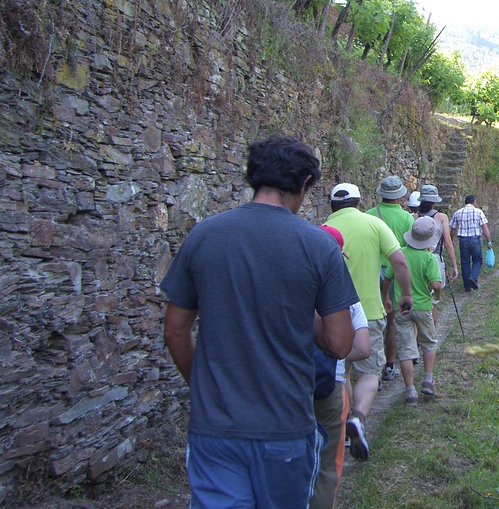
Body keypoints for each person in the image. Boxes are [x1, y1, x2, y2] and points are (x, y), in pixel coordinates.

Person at [161, 134, 359, 508]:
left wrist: (203, 388)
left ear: (254, 178)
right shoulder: (318, 245)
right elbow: (340, 343)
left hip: (215, 429)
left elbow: (174, 329)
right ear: (303, 185)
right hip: (285, 428)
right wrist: (304, 318)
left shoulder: (203, 235)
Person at [325, 182, 412, 462]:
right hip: (369, 312)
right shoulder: (373, 225)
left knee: (343, 372)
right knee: (370, 372)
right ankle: (359, 418)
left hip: (332, 315)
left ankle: (346, 419)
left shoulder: (322, 229)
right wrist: (405, 294)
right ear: (359, 202)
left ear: (332, 206)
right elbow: (398, 261)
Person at [311, 225, 371, 509]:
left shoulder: (285, 284)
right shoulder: (346, 297)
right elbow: (361, 349)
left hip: (282, 386)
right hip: (328, 385)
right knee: (325, 466)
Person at [387, 217, 443, 402]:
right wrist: (437, 295)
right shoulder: (428, 258)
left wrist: (386, 297)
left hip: (402, 308)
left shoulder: (399, 254)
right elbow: (435, 283)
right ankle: (428, 380)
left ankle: (410, 391)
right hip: (424, 308)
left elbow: (387, 278)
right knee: (428, 342)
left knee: (406, 349)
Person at [366, 175, 414, 384]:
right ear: (400, 196)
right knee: (392, 319)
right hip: (394, 273)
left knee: (371, 319)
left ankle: (369, 368)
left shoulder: (368, 215)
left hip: (372, 270)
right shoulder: (406, 218)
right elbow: (410, 249)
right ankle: (389, 365)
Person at [449, 194, 492, 292]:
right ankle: (473, 277)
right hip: (474, 239)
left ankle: (467, 287)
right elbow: (484, 227)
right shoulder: (478, 212)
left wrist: (451, 240)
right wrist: (489, 241)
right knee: (477, 260)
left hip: (462, 240)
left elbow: (453, 229)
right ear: (474, 202)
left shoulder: (458, 213)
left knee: (465, 262)